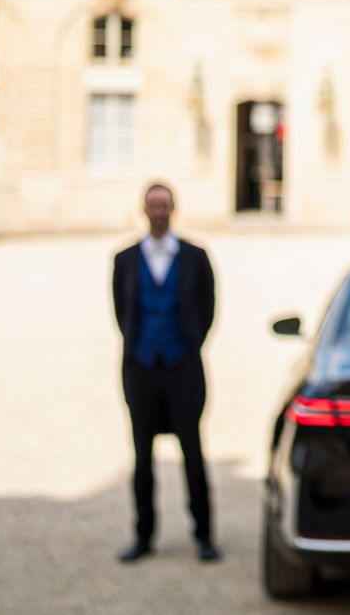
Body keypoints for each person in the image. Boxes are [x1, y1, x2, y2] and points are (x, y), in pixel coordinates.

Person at [111, 182, 219, 563]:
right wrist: (140, 350)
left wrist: (188, 347)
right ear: (144, 209)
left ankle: (204, 535)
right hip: (141, 370)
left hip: (183, 369)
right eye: (153, 205)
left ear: (174, 209)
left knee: (192, 452)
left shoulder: (195, 257)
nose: (159, 211)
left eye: (165, 205)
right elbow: (122, 314)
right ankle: (143, 535)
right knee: (142, 457)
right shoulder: (124, 260)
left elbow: (207, 310)